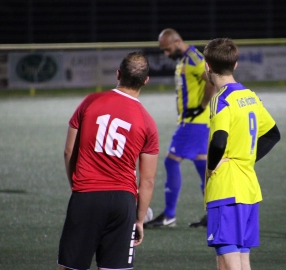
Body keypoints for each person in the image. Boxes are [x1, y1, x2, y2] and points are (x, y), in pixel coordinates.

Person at [57, 52, 159, 270]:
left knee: (70, 267)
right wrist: (139, 220)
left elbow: (68, 151)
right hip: (123, 203)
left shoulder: (90, 101)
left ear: (118, 74)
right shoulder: (147, 121)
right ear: (146, 81)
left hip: (86, 195)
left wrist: (76, 186)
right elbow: (147, 181)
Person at [203, 38, 280, 270]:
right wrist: (246, 158)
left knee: (229, 259)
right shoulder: (250, 96)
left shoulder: (221, 99)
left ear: (207, 66)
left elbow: (219, 141)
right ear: (235, 65)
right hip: (248, 188)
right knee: (237, 261)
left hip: (226, 188)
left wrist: (211, 166)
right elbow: (272, 134)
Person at [145, 28, 215, 228]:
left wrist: (201, 106)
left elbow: (212, 79)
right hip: (198, 124)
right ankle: (213, 215)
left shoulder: (193, 58)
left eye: (167, 49)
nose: (166, 54)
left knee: (171, 162)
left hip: (193, 124)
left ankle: (169, 216)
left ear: (177, 41)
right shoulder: (185, 59)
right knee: (203, 168)